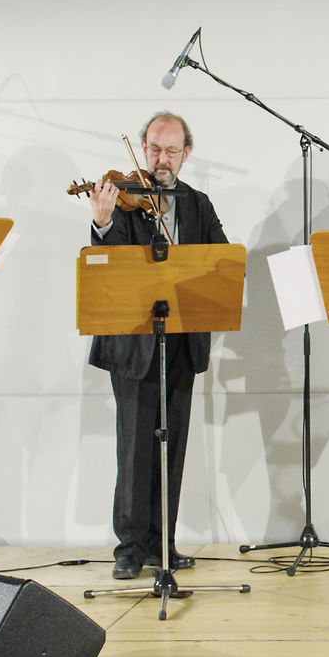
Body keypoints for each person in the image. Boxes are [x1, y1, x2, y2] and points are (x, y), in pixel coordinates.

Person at [87, 111, 229, 580]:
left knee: (173, 448)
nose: (160, 159)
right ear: (143, 149)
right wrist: (103, 222)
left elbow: (221, 260)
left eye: (171, 150)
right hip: (134, 345)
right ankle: (129, 547)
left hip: (183, 343)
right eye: (153, 149)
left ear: (187, 153)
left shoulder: (198, 204)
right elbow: (109, 268)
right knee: (134, 449)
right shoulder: (122, 200)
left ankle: (161, 544)